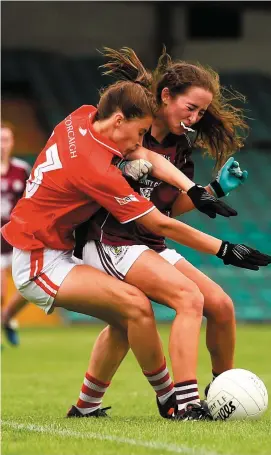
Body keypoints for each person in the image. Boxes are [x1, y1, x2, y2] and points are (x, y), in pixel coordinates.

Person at [1, 58, 245, 421]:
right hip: (41, 257)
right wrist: (224, 249)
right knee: (139, 307)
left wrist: (200, 189)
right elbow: (159, 222)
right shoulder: (97, 169)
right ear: (120, 120)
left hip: (62, 247)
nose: (136, 145)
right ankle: (174, 401)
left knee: (128, 315)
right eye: (136, 134)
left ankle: (87, 407)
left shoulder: (82, 116)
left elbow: (143, 156)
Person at [72, 47, 271, 419]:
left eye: (200, 113)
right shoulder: (129, 132)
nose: (194, 118)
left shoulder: (180, 146)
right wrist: (224, 248)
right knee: (188, 299)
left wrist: (215, 190)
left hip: (148, 242)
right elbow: (151, 215)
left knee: (222, 306)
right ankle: (186, 403)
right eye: (190, 107)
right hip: (110, 240)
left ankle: (224, 390)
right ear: (166, 96)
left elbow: (167, 207)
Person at [1, 122, 30, 346]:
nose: (2, 145)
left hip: (18, 238)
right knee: (0, 291)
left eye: (6, 140)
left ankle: (7, 319)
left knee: (29, 285)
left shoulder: (21, 169)